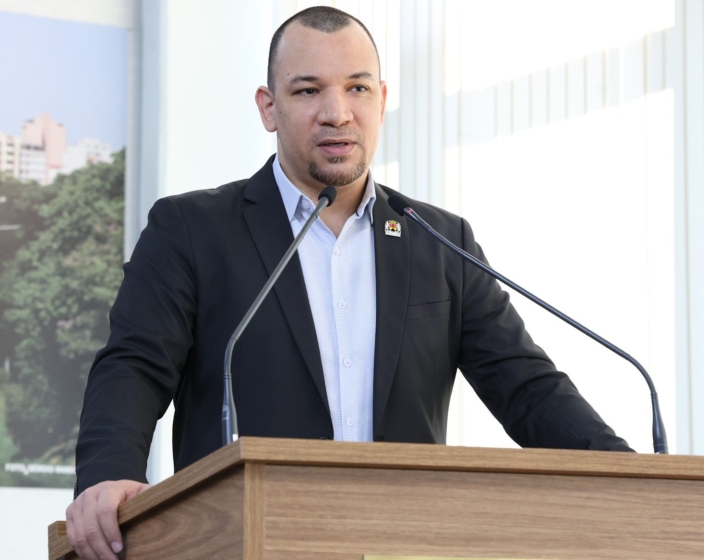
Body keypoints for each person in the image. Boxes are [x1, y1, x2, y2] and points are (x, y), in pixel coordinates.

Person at [65, 6, 631, 560]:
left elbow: (527, 387)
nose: (337, 112)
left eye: (357, 89)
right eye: (308, 91)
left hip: (404, 543)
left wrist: (633, 475)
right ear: (269, 108)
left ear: (382, 101)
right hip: (246, 541)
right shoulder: (192, 229)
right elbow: (134, 364)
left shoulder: (439, 241)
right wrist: (109, 475)